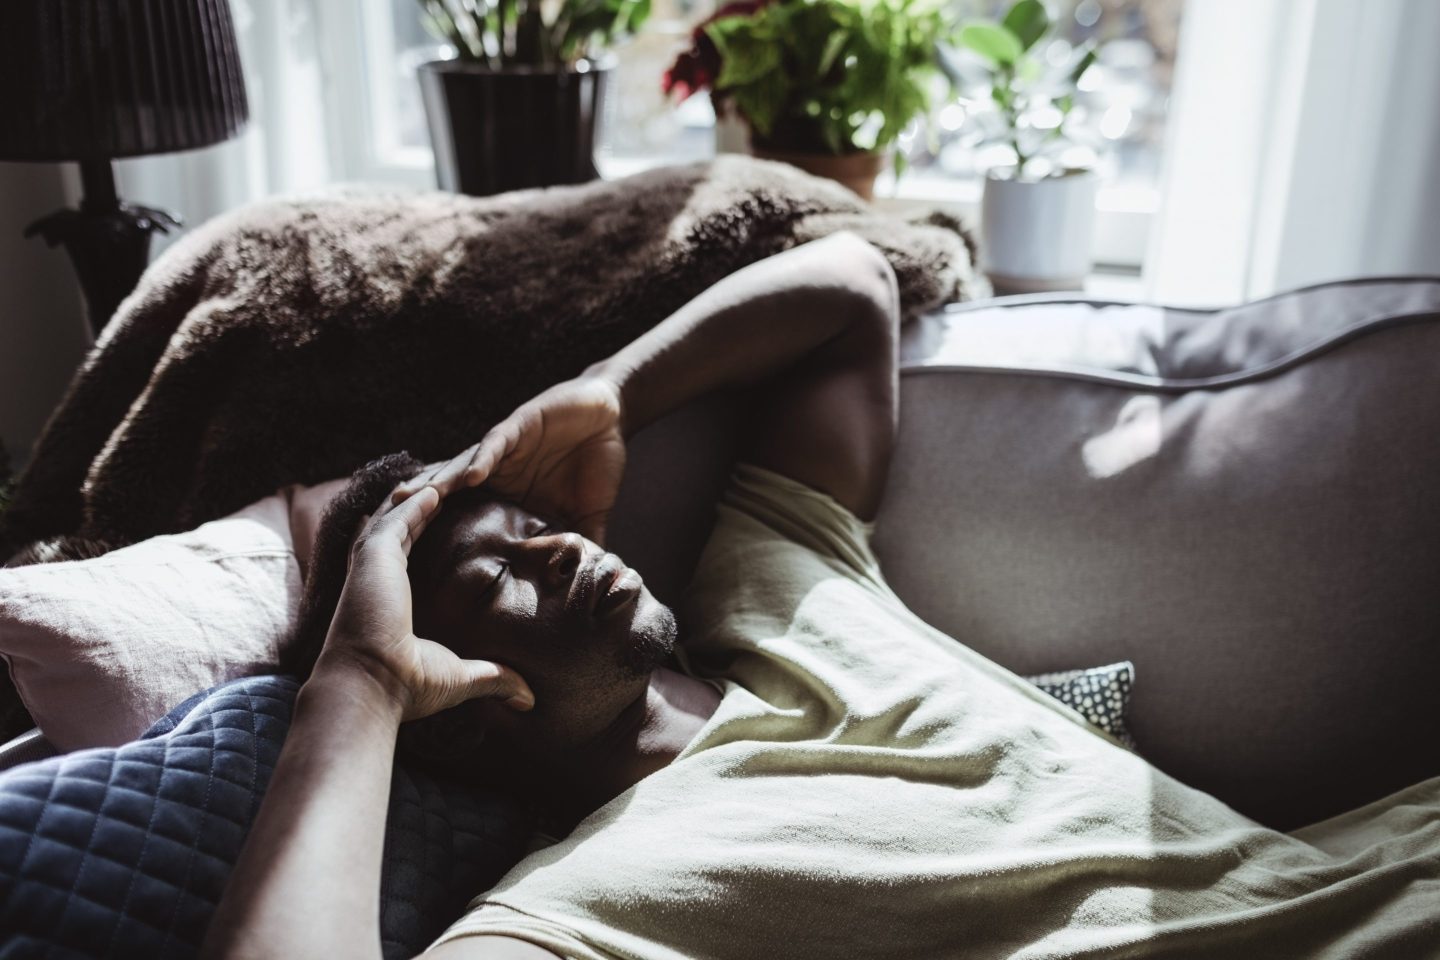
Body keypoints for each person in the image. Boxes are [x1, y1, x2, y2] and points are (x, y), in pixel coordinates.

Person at [203, 234, 1440, 960]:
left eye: (533, 525)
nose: (558, 552)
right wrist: (357, 685)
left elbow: (850, 282)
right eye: (499, 578)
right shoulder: (589, 909)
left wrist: (606, 388)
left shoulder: (777, 587)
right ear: (455, 702)